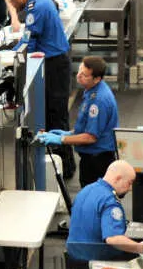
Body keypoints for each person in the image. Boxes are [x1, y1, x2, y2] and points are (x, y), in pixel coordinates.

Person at [6, 0, 75, 176]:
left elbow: (31, 43)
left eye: (12, 1)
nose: (12, 5)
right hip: (54, 62)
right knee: (54, 114)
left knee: (56, 116)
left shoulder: (36, 9)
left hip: (54, 66)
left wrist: (13, 58)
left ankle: (65, 166)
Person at [43, 56, 119, 187]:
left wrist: (62, 140)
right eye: (79, 71)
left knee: (94, 198)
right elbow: (88, 126)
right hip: (91, 157)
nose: (78, 76)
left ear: (97, 79)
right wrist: (68, 133)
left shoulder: (98, 100)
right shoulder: (91, 91)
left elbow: (90, 137)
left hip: (98, 160)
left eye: (84, 75)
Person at [66, 161, 143, 264]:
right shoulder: (110, 201)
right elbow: (113, 239)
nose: (130, 189)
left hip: (75, 255)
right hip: (98, 259)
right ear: (118, 178)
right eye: (130, 183)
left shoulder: (86, 190)